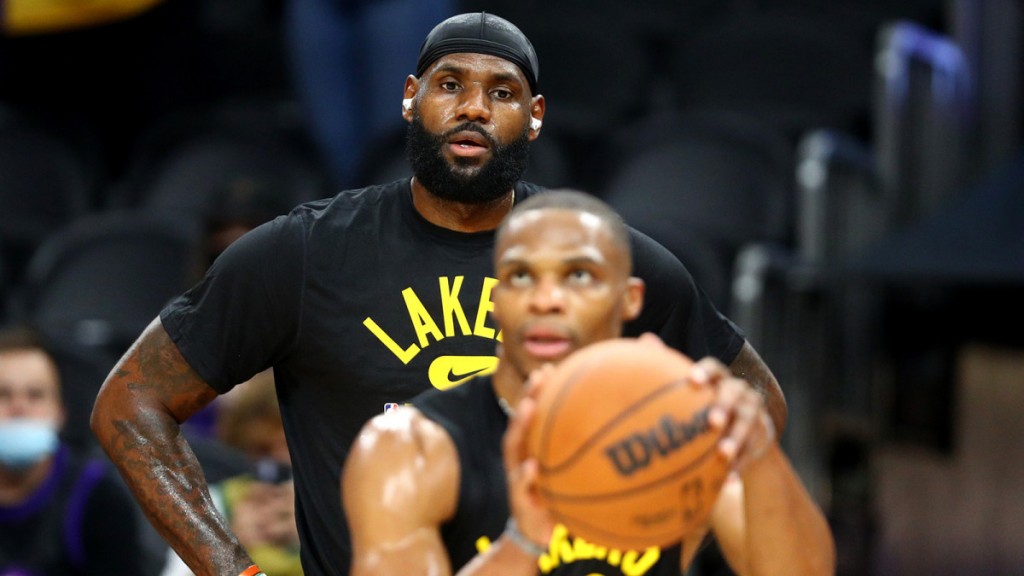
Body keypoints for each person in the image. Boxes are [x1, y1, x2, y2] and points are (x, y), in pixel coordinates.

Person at [90, 12, 787, 576]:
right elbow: (131, 403)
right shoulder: (304, 253)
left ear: (536, 115)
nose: (474, 108)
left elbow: (754, 401)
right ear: (409, 97)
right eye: (449, 84)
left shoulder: (600, 258)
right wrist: (235, 573)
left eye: (503, 92)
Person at [343, 190, 835, 575]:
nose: (546, 300)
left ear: (630, 300)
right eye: (520, 277)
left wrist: (759, 455)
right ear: (495, 301)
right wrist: (524, 544)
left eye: (579, 276)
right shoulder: (411, 447)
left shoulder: (677, 426)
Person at [0, 325, 148, 575]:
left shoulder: (101, 500)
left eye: (35, 395)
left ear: (60, 413)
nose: (19, 408)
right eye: (3, 394)